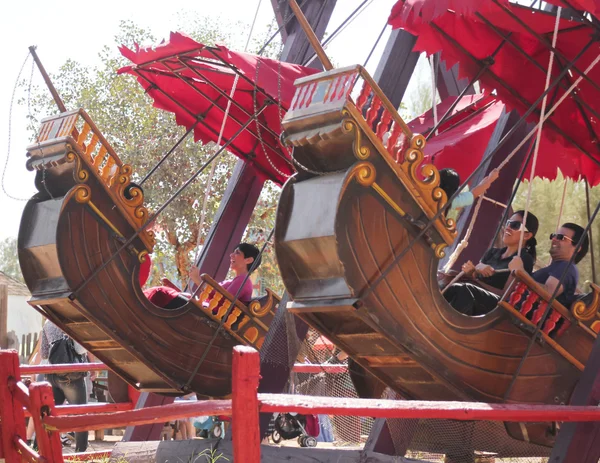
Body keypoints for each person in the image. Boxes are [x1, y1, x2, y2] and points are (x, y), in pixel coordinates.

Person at [444, 211, 539, 316]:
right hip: (476, 295)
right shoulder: (492, 252)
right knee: (446, 278)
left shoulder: (524, 260)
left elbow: (505, 295)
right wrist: (472, 273)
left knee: (463, 290)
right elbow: (476, 277)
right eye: (508, 223)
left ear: (527, 235)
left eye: (515, 225)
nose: (508, 228)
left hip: (496, 307)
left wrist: (474, 281)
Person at [144, 243, 262, 309]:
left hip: (205, 315)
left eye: (237, 253)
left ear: (248, 260)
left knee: (161, 293)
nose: (231, 255)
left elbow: (222, 302)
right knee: (163, 292)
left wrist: (198, 280)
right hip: (202, 310)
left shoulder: (243, 281)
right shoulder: (237, 280)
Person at [509, 223, 589, 308]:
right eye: (554, 235)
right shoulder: (558, 266)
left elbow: (547, 293)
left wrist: (520, 272)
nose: (554, 239)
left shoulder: (567, 267)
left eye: (560, 237)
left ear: (577, 248)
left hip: (518, 315)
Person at [40, 321, 90, 452]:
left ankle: (40, 448)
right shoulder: (71, 320)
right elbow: (80, 349)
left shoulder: (47, 323)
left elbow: (44, 354)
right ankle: (81, 453)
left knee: (48, 414)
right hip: (72, 375)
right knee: (80, 414)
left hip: (52, 374)